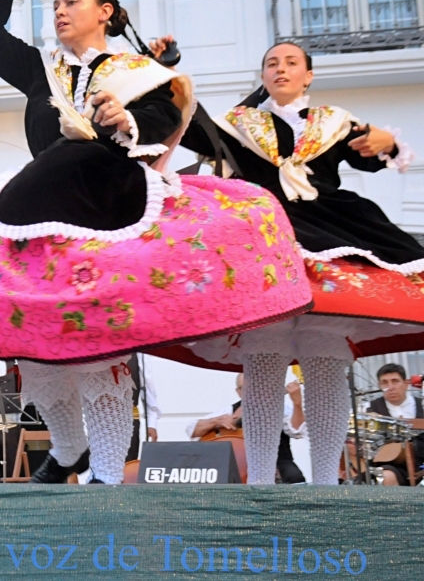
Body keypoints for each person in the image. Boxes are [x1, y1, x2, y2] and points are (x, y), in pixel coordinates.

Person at [0, 0, 312, 485]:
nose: (60, 11)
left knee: (99, 344)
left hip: (109, 210)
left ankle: (109, 477)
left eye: (72, 1)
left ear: (105, 12)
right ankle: (68, 448)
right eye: (56, 5)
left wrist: (125, 119)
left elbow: (167, 115)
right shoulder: (42, 70)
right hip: (42, 211)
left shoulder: (138, 72)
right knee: (34, 346)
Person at [155, 40, 424, 485]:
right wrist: (165, 72)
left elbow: (374, 155)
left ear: (308, 75)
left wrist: (388, 141)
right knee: (264, 357)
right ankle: (261, 482)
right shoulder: (239, 124)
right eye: (272, 63)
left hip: (331, 230)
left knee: (323, 356)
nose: (281, 69)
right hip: (264, 235)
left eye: (291, 62)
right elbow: (191, 126)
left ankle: (326, 485)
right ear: (263, 77)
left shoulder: (333, 122)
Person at [187, 372, 307, 484]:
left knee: (294, 477)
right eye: (245, 388)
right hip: (240, 464)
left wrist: (297, 403)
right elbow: (192, 429)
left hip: (278, 461)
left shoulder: (281, 408)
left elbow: (297, 431)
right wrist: (215, 421)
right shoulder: (230, 410)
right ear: (238, 391)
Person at [365, 363, 424, 486]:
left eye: (395, 381)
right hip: (390, 465)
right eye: (385, 383)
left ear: (406, 384)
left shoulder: (421, 404)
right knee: (386, 477)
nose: (390, 387)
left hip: (421, 463)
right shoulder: (370, 409)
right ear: (379, 386)